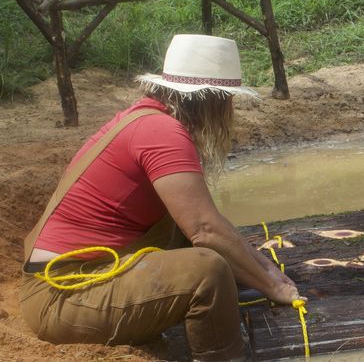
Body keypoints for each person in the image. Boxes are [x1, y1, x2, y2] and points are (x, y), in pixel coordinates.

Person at [20, 34, 301, 361]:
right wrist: (275, 288)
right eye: (228, 100)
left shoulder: (148, 119)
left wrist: (264, 268)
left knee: (191, 237)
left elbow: (205, 221)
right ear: (211, 100)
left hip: (72, 282)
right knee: (207, 271)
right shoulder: (162, 132)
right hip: (63, 297)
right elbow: (206, 230)